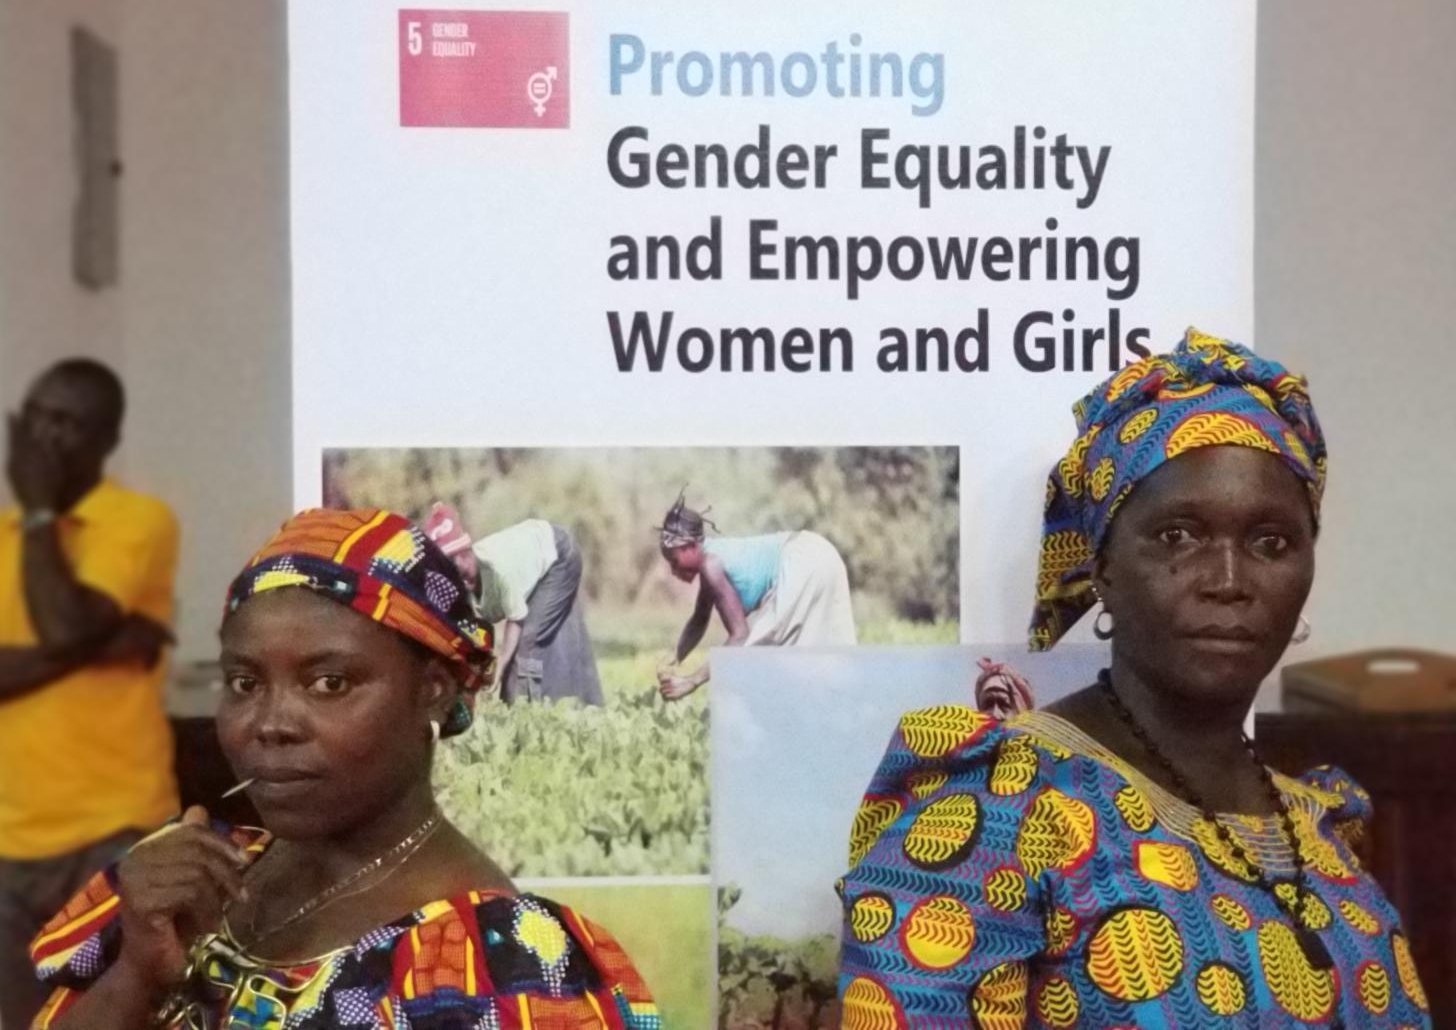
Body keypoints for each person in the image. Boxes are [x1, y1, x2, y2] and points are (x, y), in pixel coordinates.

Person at [837, 329, 1431, 1027]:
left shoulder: (1323, 828)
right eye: (1178, 535)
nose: (1229, 580)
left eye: (1271, 542)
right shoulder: (996, 811)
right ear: (1104, 570)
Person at [27, 507, 659, 1029]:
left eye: (329, 682)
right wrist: (137, 970)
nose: (271, 723)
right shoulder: (201, 871)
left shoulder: (502, 969)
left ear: (434, 691)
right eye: (245, 682)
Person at [0, 359, 179, 1030]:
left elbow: (62, 623)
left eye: (68, 423)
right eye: (38, 417)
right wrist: (98, 643)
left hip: (115, 831)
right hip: (7, 840)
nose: (46, 436)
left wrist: (38, 511)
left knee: (121, 1017)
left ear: (106, 441)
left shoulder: (140, 520)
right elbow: (74, 633)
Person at [656, 495, 856, 701]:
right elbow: (699, 620)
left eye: (674, 561)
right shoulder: (712, 562)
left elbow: (740, 637)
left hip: (802, 561)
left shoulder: (711, 566)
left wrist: (692, 681)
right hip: (821, 552)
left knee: (760, 657)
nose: (673, 571)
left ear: (690, 546)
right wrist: (675, 655)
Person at [447, 508, 603, 706]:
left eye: (464, 568)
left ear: (470, 553)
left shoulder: (499, 570)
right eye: (455, 571)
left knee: (527, 642)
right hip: (541, 549)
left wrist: (501, 665)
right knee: (545, 637)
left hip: (559, 555)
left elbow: (516, 619)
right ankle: (580, 702)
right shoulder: (469, 574)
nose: (462, 577)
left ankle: (522, 706)